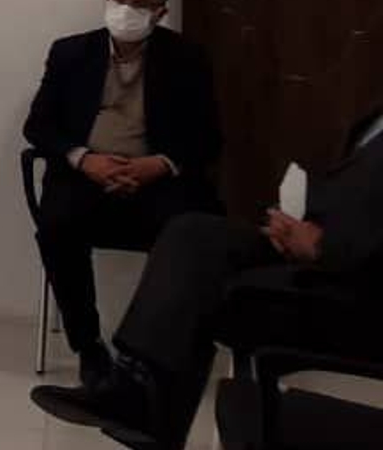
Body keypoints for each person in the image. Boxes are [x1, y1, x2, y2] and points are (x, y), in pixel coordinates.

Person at [31, 106, 383, 448]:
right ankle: (138, 390)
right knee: (194, 235)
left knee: (209, 279)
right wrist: (298, 226)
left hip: (355, 287)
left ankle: (147, 407)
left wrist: (323, 246)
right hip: (328, 250)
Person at [23, 0, 221, 387]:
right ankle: (88, 346)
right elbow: (38, 126)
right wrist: (83, 159)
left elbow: (208, 138)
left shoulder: (187, 58)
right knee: (57, 227)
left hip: (156, 180)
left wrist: (159, 164)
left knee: (192, 233)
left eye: (140, 2)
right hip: (85, 175)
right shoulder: (70, 52)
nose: (126, 8)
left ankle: (153, 351)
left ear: (160, 11)